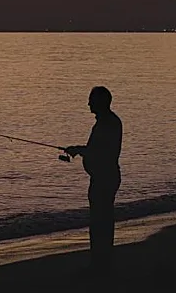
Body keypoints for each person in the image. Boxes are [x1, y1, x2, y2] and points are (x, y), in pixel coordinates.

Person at [65, 85, 123, 273]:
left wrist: (79, 150)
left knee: (100, 222)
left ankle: (99, 265)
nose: (88, 103)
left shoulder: (108, 123)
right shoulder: (109, 122)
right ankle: (102, 263)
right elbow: (97, 150)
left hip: (104, 178)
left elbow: (100, 152)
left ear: (101, 102)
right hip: (104, 176)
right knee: (102, 221)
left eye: (92, 100)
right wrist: (79, 150)